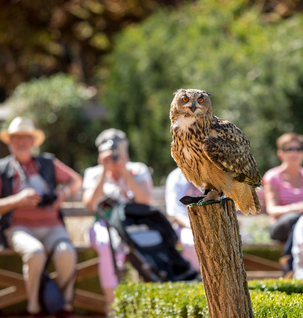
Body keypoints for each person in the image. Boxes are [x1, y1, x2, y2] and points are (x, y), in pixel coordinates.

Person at [0, 117, 82, 318]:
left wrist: (61, 194)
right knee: (35, 253)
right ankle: (35, 310)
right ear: (9, 142)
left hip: (53, 226)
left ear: (32, 142)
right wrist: (17, 200)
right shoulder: (3, 169)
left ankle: (64, 308)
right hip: (18, 228)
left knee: (67, 252)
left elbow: (76, 180)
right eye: (16, 138)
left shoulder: (47, 162)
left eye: (25, 138)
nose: (21, 142)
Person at [82, 128, 153, 316]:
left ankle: (144, 306)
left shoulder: (138, 169)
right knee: (107, 243)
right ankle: (113, 305)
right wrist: (104, 172)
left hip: (133, 226)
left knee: (145, 242)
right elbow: (90, 205)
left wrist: (125, 173)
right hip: (103, 225)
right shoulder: (93, 173)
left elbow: (146, 201)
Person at [262, 133, 303, 242]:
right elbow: (272, 209)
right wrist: (296, 208)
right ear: (280, 153)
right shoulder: (273, 177)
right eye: (289, 149)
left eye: (298, 149)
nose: (294, 153)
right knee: (296, 219)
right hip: (283, 228)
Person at [165, 167, 201, 270]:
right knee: (192, 242)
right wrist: (195, 226)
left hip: (212, 223)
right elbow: (174, 213)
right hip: (184, 225)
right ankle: (195, 276)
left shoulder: (211, 171)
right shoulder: (176, 176)